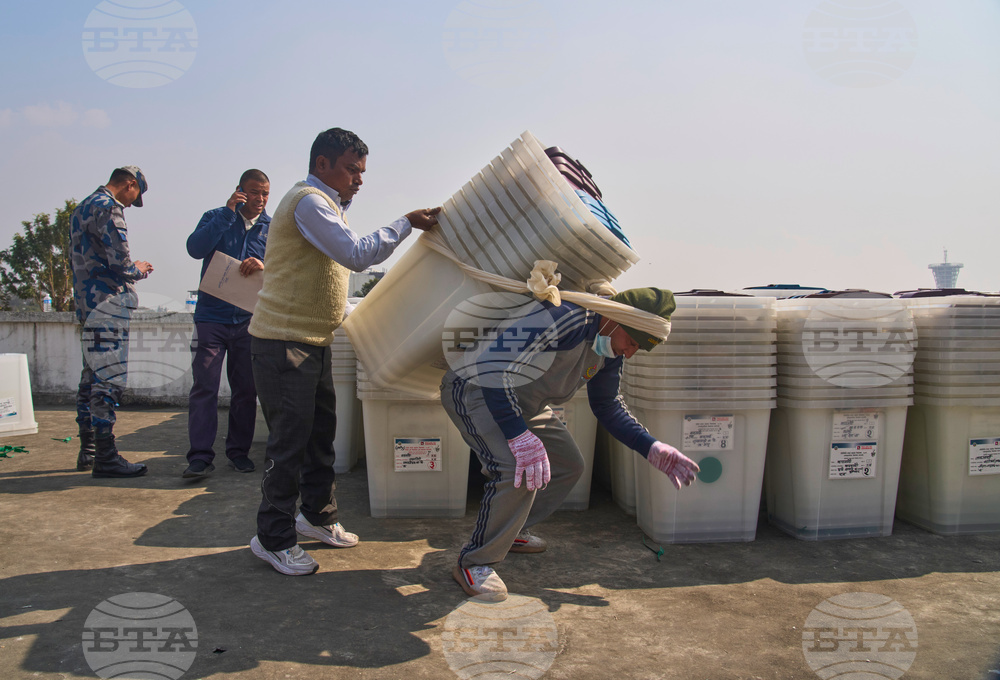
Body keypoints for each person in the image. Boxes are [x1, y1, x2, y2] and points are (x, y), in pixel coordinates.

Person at [247, 127, 441, 575]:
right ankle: (272, 539)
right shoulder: (309, 203)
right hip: (282, 343)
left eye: (362, 171)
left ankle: (317, 517)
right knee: (289, 443)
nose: (359, 178)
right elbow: (356, 255)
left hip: (311, 340)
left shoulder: (328, 205)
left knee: (320, 438)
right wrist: (406, 223)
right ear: (322, 165)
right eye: (352, 169)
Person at [442, 287, 701, 601]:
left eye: (638, 349)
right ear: (617, 320)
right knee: (514, 470)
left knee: (568, 465)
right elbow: (494, 365)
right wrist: (519, 436)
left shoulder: (608, 350)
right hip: (477, 390)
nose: (629, 353)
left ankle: (507, 532)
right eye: (631, 342)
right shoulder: (562, 318)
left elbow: (607, 406)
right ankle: (475, 561)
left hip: (524, 404)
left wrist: (650, 446)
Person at [182, 169, 271, 479]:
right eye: (255, 192)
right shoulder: (215, 216)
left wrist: (264, 264)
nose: (260, 199)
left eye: (265, 194)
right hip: (211, 319)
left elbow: (284, 270)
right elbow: (195, 249)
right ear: (240, 191)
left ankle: (238, 452)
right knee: (204, 387)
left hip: (248, 321)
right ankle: (200, 458)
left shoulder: (271, 229)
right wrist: (226, 213)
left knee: (246, 390)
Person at [70, 166, 153, 478]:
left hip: (86, 305)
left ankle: (88, 451)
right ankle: (105, 457)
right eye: (135, 196)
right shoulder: (110, 208)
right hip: (109, 304)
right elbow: (121, 263)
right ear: (129, 185)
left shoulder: (80, 208)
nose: (132, 203)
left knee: (90, 376)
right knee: (108, 380)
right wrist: (140, 269)